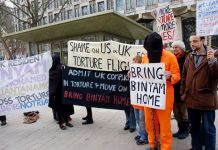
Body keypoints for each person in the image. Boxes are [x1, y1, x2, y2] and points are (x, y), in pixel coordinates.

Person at [141, 32, 181, 150]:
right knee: (149, 122)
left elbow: (177, 76)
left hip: (165, 97)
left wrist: (170, 76)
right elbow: (142, 75)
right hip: (149, 96)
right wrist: (133, 74)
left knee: (164, 125)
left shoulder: (170, 56)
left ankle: (165, 147)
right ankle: (153, 144)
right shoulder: (144, 57)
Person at [180, 33, 218, 150]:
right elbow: (184, 76)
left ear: (203, 41)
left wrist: (212, 62)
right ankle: (196, 147)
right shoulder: (189, 56)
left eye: (195, 41)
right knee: (194, 127)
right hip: (191, 99)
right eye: (191, 41)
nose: (192, 44)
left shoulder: (213, 55)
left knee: (208, 129)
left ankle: (210, 148)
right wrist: (182, 93)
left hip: (207, 99)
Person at [49, 54, 74, 130]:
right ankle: (62, 123)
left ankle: (65, 122)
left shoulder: (61, 67)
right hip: (58, 92)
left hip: (63, 91)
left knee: (64, 107)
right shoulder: (53, 69)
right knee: (60, 108)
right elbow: (52, 82)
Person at [171, 40, 189, 139]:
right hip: (173, 90)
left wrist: (186, 91)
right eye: (173, 48)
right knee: (176, 112)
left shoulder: (187, 58)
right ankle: (180, 130)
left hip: (183, 90)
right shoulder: (173, 58)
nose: (174, 49)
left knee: (184, 112)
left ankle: (185, 131)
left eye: (176, 47)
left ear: (181, 48)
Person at [131, 55, 148, 145]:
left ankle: (144, 137)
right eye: (134, 61)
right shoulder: (133, 72)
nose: (134, 63)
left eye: (136, 61)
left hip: (142, 102)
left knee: (142, 120)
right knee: (138, 119)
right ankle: (141, 133)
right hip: (135, 101)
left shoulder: (145, 72)